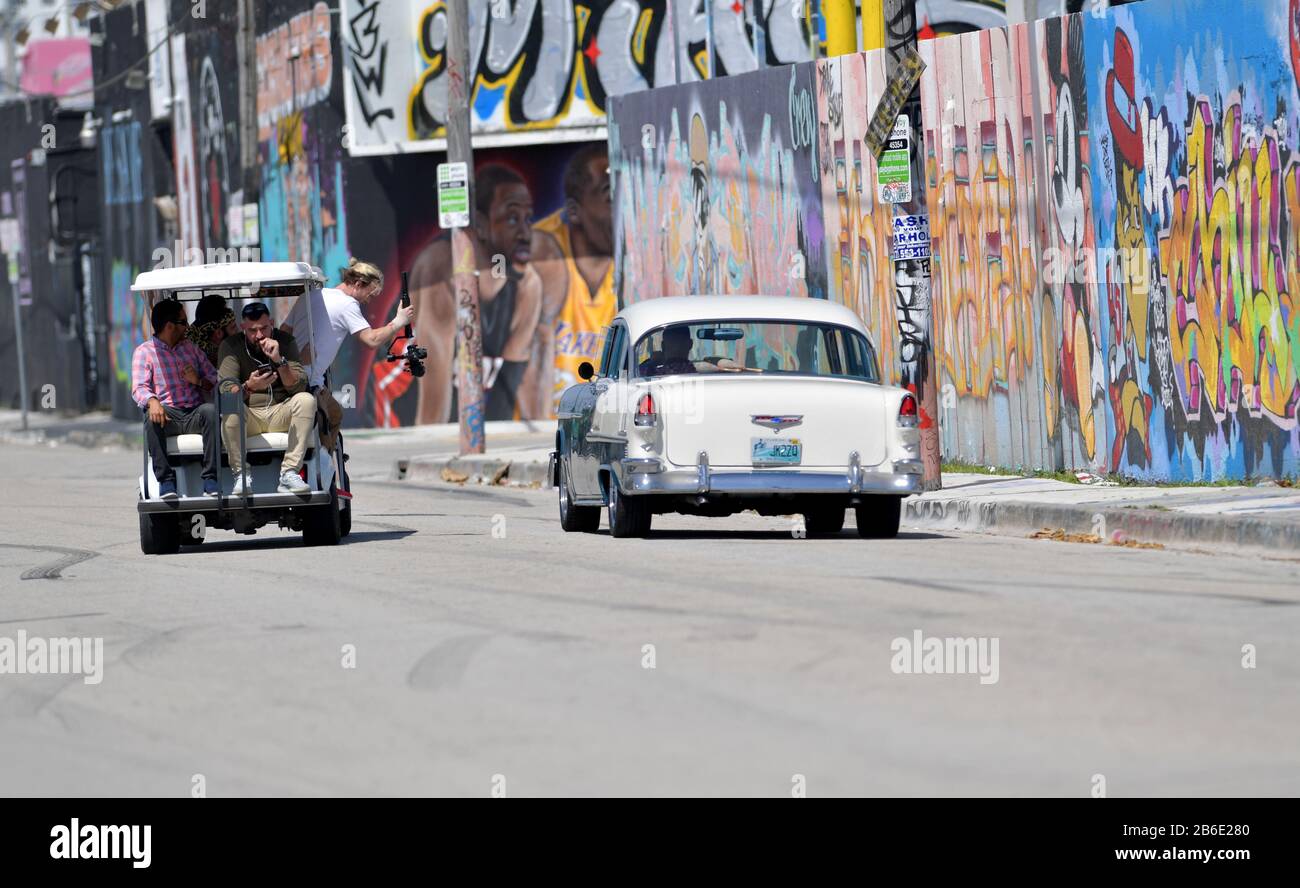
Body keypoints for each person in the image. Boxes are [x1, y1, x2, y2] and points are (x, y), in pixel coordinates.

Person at [409, 163, 542, 424]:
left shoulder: (527, 285)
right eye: (513, 218)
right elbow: (431, 410)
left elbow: (507, 389)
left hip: (463, 421)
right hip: (400, 408)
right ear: (480, 223)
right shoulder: (441, 267)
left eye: (528, 219)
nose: (525, 233)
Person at [519, 144, 617, 419]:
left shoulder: (640, 252)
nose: (623, 205)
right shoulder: (540, 252)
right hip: (544, 426)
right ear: (574, 211)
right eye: (610, 195)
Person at [280, 258, 414, 451]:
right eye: (371, 294)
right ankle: (326, 462)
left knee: (330, 415)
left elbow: (284, 331)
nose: (370, 300)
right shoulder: (347, 304)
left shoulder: (309, 296)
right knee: (334, 416)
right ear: (358, 284)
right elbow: (371, 340)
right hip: (308, 382)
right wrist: (398, 321)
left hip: (288, 376)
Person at [217, 301, 316, 495]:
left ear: (271, 323)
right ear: (243, 327)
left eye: (264, 328)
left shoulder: (285, 341)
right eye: (253, 330)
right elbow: (226, 391)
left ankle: (289, 473)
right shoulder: (231, 345)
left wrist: (279, 361)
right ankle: (241, 476)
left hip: (280, 410)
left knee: (306, 400)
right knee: (230, 409)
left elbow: (299, 385)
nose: (259, 335)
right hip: (249, 415)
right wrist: (249, 387)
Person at [131, 299, 221, 499]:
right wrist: (153, 401)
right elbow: (139, 388)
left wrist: (198, 381)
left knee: (210, 411)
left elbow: (215, 380)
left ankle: (211, 478)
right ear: (170, 326)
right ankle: (166, 480)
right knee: (150, 417)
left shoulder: (190, 349)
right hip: (167, 414)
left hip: (193, 413)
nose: (187, 326)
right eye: (183, 322)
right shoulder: (144, 352)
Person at [187, 293, 237, 368]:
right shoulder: (205, 362)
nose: (237, 331)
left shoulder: (192, 353)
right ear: (218, 333)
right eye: (233, 327)